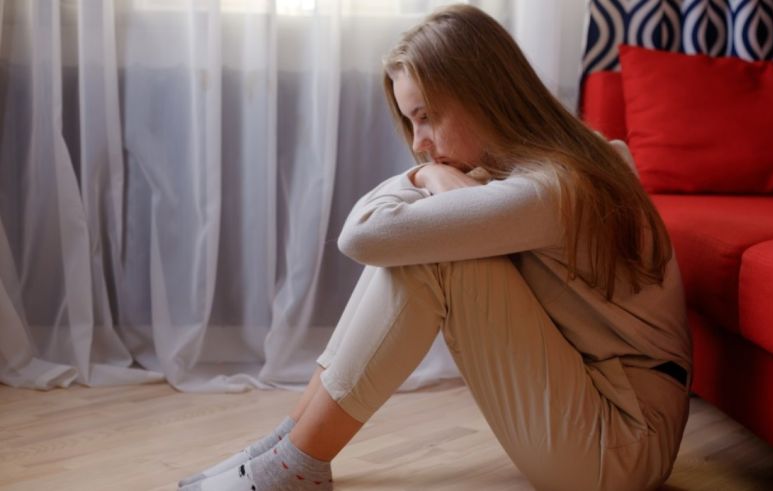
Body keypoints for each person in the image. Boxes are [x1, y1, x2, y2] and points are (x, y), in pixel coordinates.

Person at [178, 4, 691, 491]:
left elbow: (361, 234)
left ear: (484, 95)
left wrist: (423, 174)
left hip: (621, 446)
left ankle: (296, 462)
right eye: (411, 122)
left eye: (426, 116)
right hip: (611, 415)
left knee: (434, 254)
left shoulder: (552, 188)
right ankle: (289, 445)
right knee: (426, 243)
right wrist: (437, 178)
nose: (419, 140)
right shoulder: (556, 165)